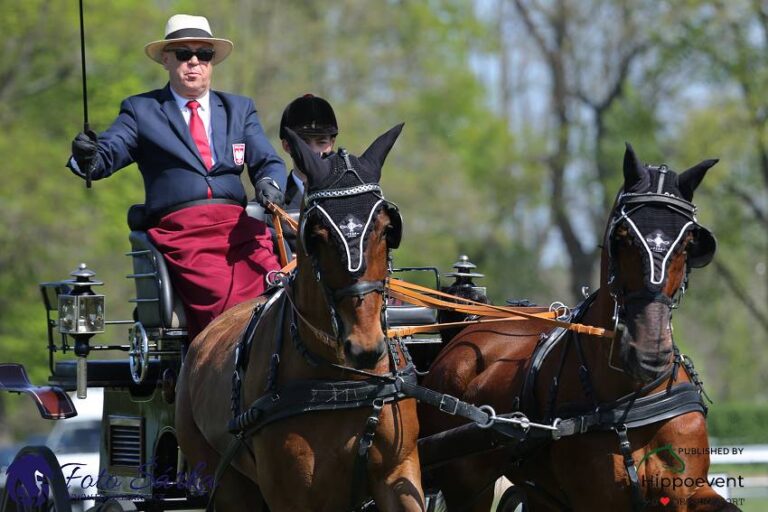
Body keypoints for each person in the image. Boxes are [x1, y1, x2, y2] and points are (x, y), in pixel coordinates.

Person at [67, 14, 287, 341]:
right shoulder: (142, 111)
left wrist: (270, 184)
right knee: (225, 301)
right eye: (184, 54)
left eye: (204, 55)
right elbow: (103, 159)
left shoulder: (240, 109)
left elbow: (267, 160)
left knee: (281, 285)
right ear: (166, 60)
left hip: (239, 228)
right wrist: (86, 154)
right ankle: (229, 377)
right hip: (185, 233)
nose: (194, 62)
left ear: (212, 63)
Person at [279, 94, 339, 211]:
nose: (314, 151)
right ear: (287, 146)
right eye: (304, 143)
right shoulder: (269, 208)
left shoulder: (351, 201)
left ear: (332, 144)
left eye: (321, 142)